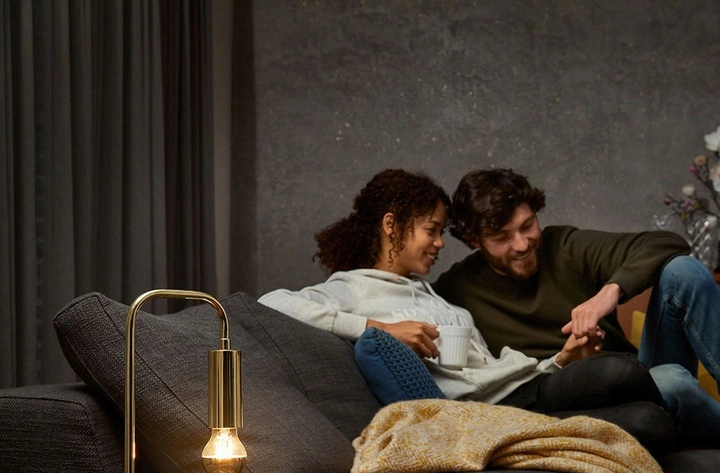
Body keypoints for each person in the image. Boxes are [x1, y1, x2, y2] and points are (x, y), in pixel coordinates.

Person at [258, 168, 673, 446]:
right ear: (391, 226)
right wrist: (377, 327)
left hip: (527, 387)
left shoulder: (433, 294)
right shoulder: (354, 288)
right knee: (635, 394)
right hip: (494, 413)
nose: (440, 243)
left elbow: (488, 369)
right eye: (431, 230)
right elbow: (271, 303)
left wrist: (563, 360)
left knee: (638, 397)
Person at [434, 167, 720, 443]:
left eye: (527, 226)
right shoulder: (455, 289)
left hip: (634, 375)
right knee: (672, 381)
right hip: (581, 400)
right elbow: (410, 299)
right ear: (475, 241)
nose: (521, 244)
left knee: (683, 271)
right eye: (502, 238)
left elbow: (667, 243)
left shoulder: (562, 246)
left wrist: (609, 293)